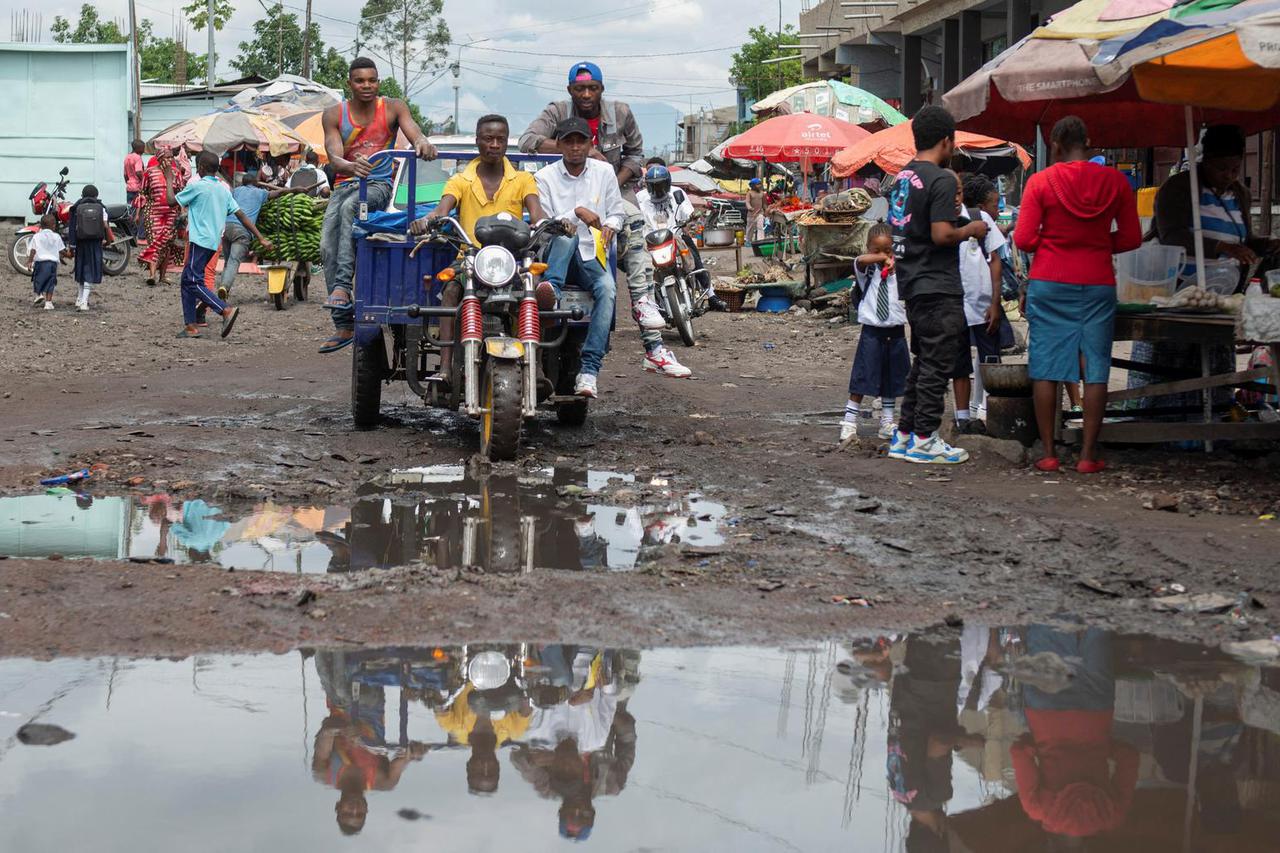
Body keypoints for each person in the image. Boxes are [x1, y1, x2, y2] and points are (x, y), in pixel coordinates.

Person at [519, 61, 682, 379]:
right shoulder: (557, 111)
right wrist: (575, 149)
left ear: (601, 89)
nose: (586, 94)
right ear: (570, 91)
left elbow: (636, 154)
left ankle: (647, 315)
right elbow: (528, 140)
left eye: (592, 88)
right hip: (570, 201)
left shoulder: (620, 112)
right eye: (579, 88)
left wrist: (611, 177)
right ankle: (551, 290)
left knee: (636, 230)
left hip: (612, 194)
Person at [1014, 116, 1141, 474]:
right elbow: (1132, 238)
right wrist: (1096, 243)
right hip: (1097, 280)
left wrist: (1056, 243)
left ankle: (1050, 454)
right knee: (1097, 367)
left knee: (1046, 368)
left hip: (1050, 281)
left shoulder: (1041, 182)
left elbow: (1023, 239)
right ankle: (1087, 456)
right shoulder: (1115, 181)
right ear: (1088, 142)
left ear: (1054, 144)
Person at [1133, 124, 1280, 428]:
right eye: (1221, 168)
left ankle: (1212, 423)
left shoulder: (1238, 193)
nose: (1229, 175)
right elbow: (1172, 236)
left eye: (1235, 168)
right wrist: (1222, 247)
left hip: (1220, 293)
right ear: (1206, 160)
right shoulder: (1177, 189)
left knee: (1213, 364)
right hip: (1178, 293)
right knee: (1174, 365)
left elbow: (1244, 238)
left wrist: (1265, 244)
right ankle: (1166, 427)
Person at [410, 114, 548, 388]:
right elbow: (442, 210)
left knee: (538, 290)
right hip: (471, 259)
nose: (494, 144)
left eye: (500, 139)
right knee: (450, 290)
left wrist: (549, 223)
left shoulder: (522, 179)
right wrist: (427, 221)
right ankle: (446, 365)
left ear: (507, 143)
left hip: (513, 261)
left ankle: (539, 365)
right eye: (488, 139)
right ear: (478, 142)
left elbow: (537, 213)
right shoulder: (460, 180)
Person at [886, 106, 989, 465]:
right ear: (948, 140)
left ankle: (904, 435)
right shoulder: (942, 179)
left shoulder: (902, 177)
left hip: (912, 283)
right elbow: (942, 234)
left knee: (924, 361)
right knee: (937, 365)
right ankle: (925, 439)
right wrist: (972, 230)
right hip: (937, 285)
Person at [319, 56, 438, 354]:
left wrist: (422, 142)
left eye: (371, 80)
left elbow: (414, 132)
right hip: (345, 184)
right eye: (360, 80)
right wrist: (348, 164)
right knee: (325, 245)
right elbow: (333, 154)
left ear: (378, 82)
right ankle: (343, 322)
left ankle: (343, 286)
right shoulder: (334, 114)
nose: (366, 85)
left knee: (351, 210)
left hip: (378, 185)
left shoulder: (394, 107)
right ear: (350, 84)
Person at [534, 117, 625, 399]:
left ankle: (589, 370)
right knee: (566, 235)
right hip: (556, 255)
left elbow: (617, 212)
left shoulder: (605, 172)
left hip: (590, 253)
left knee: (608, 290)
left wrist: (611, 225)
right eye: (569, 141)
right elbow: (544, 224)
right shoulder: (544, 177)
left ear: (590, 143)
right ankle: (551, 291)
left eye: (581, 141)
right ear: (559, 144)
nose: (575, 147)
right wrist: (576, 213)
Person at [174, 151, 272, 339]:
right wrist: (259, 237)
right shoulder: (223, 189)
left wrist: (170, 178)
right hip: (212, 242)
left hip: (199, 240)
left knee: (192, 281)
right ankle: (190, 326)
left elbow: (173, 200)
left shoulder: (198, 186)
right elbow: (241, 215)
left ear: (201, 167)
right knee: (187, 280)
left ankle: (224, 309)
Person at [840, 223, 909, 443]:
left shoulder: (899, 270)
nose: (883, 255)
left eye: (887, 250)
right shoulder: (866, 268)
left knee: (892, 379)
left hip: (896, 330)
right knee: (862, 376)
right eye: (876, 250)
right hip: (872, 331)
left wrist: (895, 263)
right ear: (868, 248)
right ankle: (849, 422)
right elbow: (860, 261)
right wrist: (880, 259)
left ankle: (887, 422)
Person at [636, 163, 724, 312]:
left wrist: (691, 218)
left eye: (661, 185)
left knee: (695, 260)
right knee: (641, 271)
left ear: (668, 183)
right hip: (650, 242)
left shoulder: (677, 193)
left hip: (675, 236)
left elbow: (688, 212)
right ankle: (647, 304)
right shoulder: (640, 198)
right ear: (648, 186)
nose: (658, 190)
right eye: (654, 186)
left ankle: (711, 295)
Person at [955, 173, 1007, 430]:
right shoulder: (942, 222)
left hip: (983, 303)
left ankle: (988, 410)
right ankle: (963, 415)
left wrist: (995, 302)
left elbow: (995, 261)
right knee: (960, 362)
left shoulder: (981, 219)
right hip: (955, 305)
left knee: (990, 358)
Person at [218, 174, 302, 299]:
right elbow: (279, 193)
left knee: (227, 261)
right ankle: (225, 286)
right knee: (234, 261)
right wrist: (295, 189)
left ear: (243, 183)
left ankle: (223, 291)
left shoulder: (235, 191)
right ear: (255, 183)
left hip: (226, 227)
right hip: (242, 231)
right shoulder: (260, 193)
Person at [138, 145, 183, 287]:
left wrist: (181, 212)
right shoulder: (149, 173)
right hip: (153, 213)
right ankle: (151, 275)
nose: (170, 160)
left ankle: (163, 276)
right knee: (155, 242)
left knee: (167, 243)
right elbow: (143, 192)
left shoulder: (176, 173)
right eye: (167, 157)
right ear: (159, 158)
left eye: (171, 157)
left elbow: (180, 193)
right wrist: (139, 212)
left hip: (171, 213)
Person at [67, 184, 107, 312]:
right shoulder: (101, 207)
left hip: (80, 243)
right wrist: (106, 239)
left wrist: (72, 245)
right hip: (95, 244)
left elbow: (72, 228)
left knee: (81, 271)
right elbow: (105, 226)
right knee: (90, 271)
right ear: (96, 195)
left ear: (82, 195)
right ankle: (84, 302)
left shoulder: (76, 207)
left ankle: (79, 299)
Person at [28, 213, 67, 310]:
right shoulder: (56, 236)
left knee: (37, 279)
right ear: (54, 226)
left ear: (41, 226)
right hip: (52, 264)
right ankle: (48, 303)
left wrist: (29, 261)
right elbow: (61, 250)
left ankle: (38, 294)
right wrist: (68, 255)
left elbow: (33, 250)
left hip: (40, 263)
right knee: (51, 282)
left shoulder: (37, 236)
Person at [124, 139, 147, 230]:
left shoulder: (127, 157)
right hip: (138, 188)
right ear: (138, 148)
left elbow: (125, 175)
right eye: (143, 148)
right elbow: (138, 172)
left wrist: (129, 182)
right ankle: (140, 235)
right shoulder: (137, 157)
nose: (144, 151)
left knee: (131, 212)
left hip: (129, 188)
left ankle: (132, 233)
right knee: (140, 212)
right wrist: (144, 181)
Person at [745, 177, 767, 242]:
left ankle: (760, 241)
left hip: (760, 213)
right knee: (750, 228)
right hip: (751, 214)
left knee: (760, 227)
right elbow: (747, 202)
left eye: (760, 184)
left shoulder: (762, 193)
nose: (759, 186)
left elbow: (764, 204)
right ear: (753, 185)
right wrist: (749, 207)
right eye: (758, 184)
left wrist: (767, 210)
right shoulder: (749, 193)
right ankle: (748, 241)